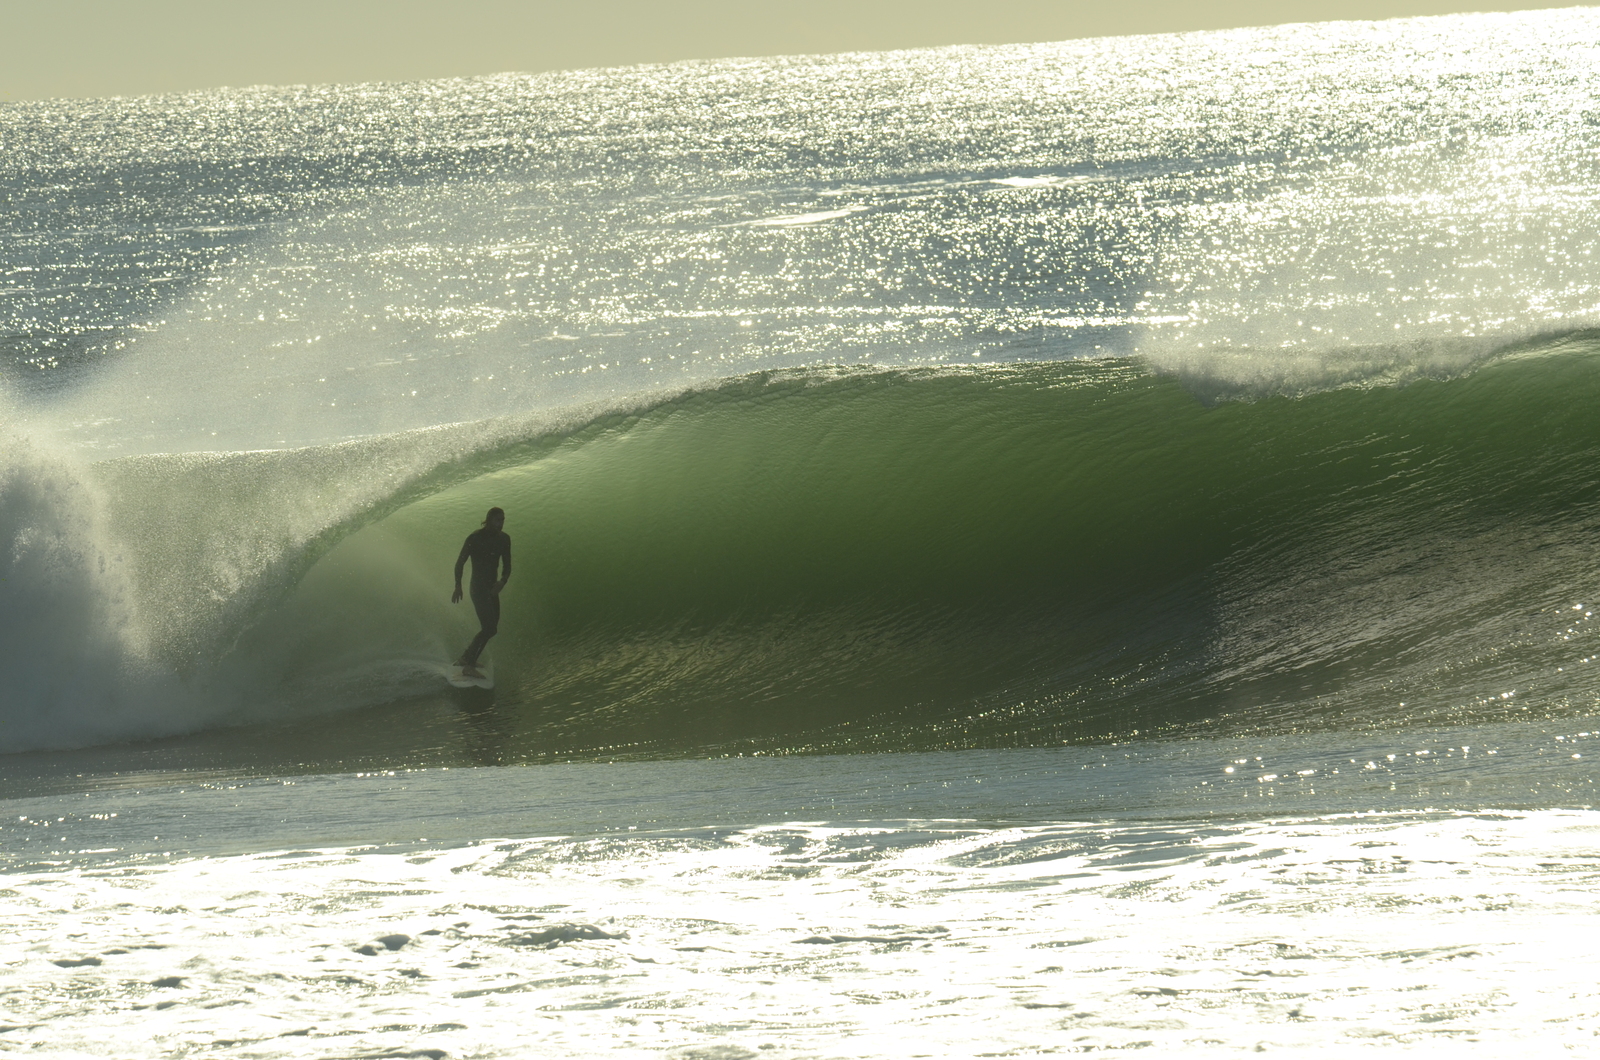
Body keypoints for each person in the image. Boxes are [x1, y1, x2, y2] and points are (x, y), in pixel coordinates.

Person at [452, 506, 512, 677]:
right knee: (489, 628)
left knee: (491, 629)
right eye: (497, 520)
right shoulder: (474, 538)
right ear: (488, 520)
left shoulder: (504, 539)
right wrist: (458, 585)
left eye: (502, 520)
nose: (500, 524)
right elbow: (460, 563)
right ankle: (469, 666)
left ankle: (466, 658)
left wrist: (502, 581)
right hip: (477, 588)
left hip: (492, 590)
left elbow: (507, 567)